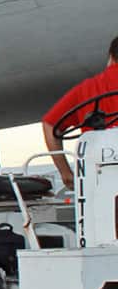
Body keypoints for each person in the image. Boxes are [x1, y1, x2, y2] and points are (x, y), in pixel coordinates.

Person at [42, 36, 118, 187]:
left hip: (97, 180)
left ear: (111, 56)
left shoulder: (86, 88)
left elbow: (49, 124)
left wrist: (65, 172)